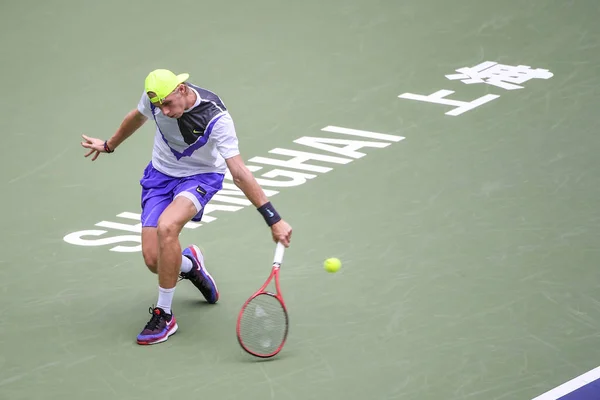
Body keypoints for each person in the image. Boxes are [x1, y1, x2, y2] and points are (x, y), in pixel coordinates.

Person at [80, 69, 293, 345]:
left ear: (182, 89)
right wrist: (109, 145)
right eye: (159, 106)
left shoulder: (215, 116)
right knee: (154, 260)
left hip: (200, 177)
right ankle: (192, 266)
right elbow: (137, 117)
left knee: (168, 227)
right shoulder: (155, 99)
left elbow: (239, 172)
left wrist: (273, 219)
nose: (165, 112)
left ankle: (165, 315)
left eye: (168, 104)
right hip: (160, 175)